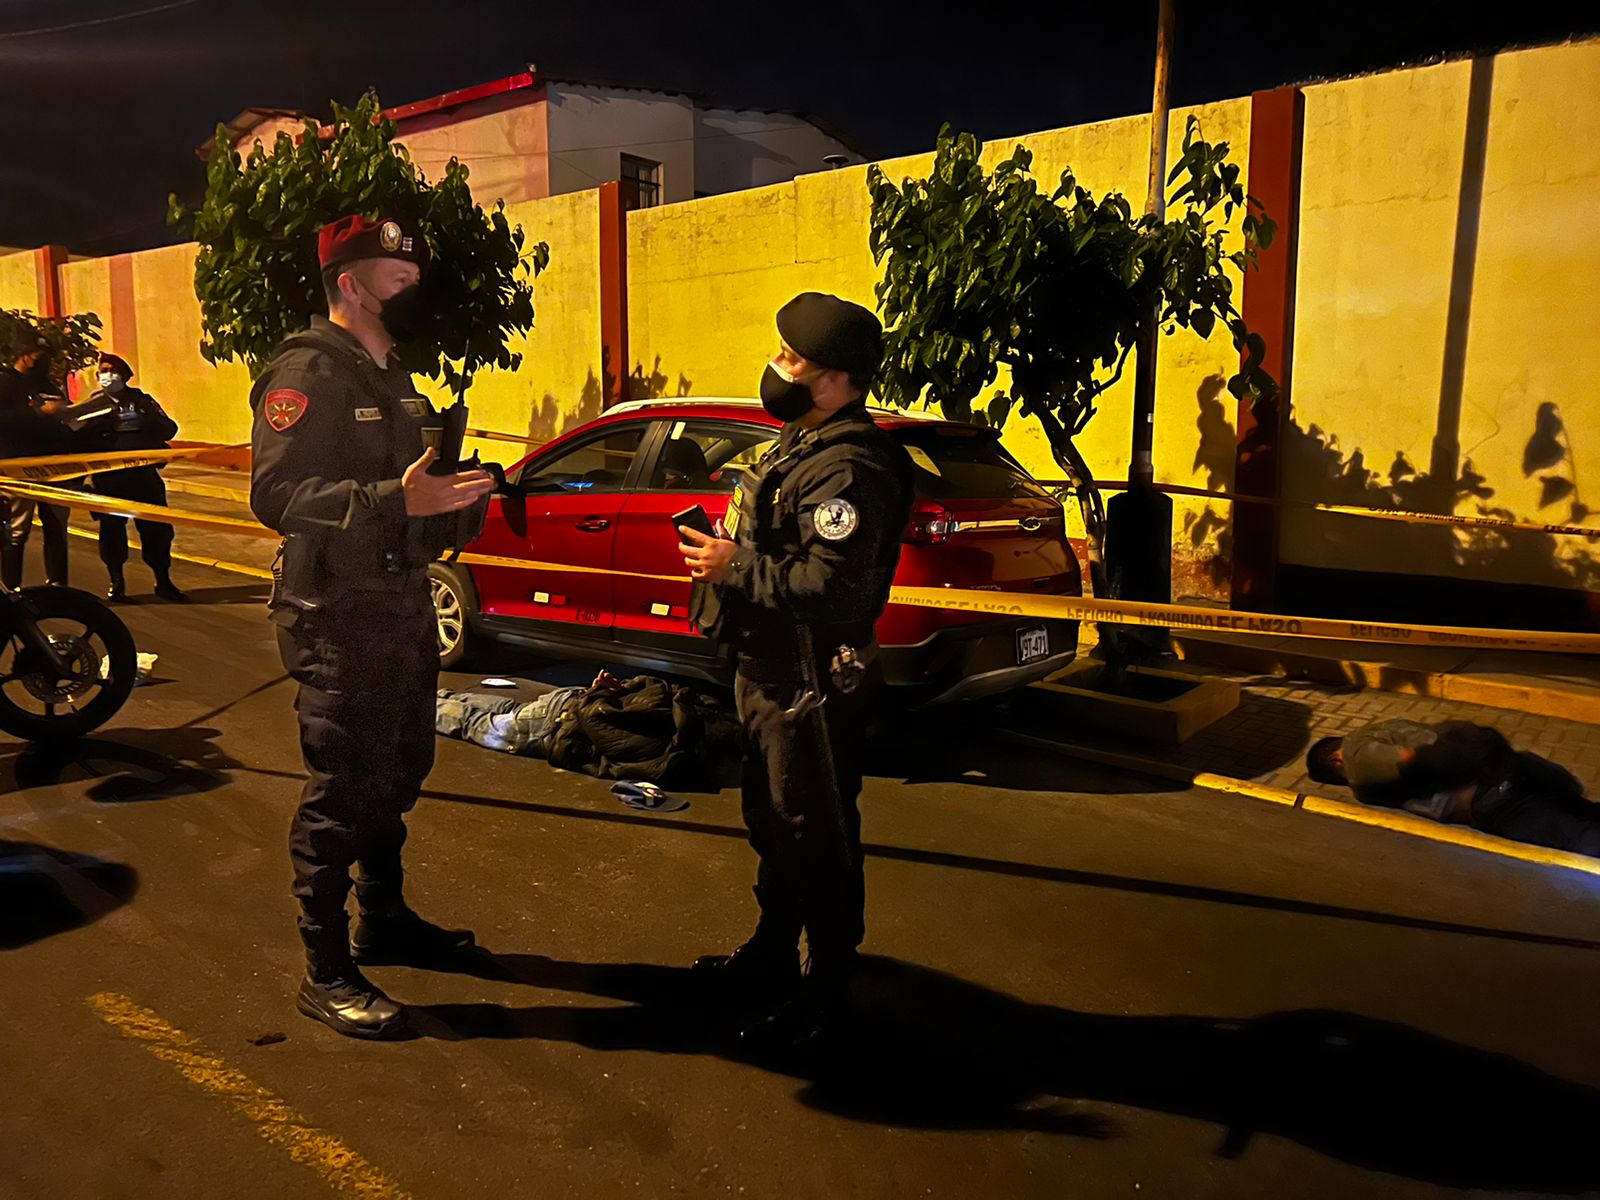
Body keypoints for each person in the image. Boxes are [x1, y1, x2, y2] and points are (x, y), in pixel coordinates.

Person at [250, 214, 495, 1040]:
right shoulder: (308, 371)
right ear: (351, 283)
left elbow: (411, 501)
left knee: (399, 771)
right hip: (335, 616)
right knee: (342, 791)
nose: (415, 283)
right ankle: (325, 971)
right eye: (398, 273)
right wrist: (401, 500)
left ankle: (382, 919)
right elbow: (277, 498)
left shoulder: (395, 378)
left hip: (399, 606)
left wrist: (457, 505)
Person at [679, 291, 914, 1049]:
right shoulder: (800, 444)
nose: (776, 368)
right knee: (773, 825)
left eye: (792, 360)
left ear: (837, 379)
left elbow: (834, 587)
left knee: (816, 836)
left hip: (809, 683)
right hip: (766, 672)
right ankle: (773, 956)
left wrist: (733, 564)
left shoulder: (850, 467)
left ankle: (830, 996)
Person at [1306, 719, 1600, 857]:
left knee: (1578, 837)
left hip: (1488, 795)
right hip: (1511, 764)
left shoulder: (1355, 757)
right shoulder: (1378, 727)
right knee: (1585, 813)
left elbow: (1412, 758)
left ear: (1335, 759)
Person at [79, 353, 186, 602]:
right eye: (103, 370)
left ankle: (163, 581)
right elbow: (77, 437)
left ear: (125, 376)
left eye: (113, 370)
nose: (108, 374)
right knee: (112, 532)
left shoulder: (141, 401)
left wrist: (144, 420)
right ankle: (116, 582)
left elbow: (169, 427)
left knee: (158, 531)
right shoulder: (93, 405)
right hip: (110, 478)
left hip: (144, 476)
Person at [0, 343, 78, 589]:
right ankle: (12, 589)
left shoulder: (49, 386)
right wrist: (38, 413)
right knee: (17, 530)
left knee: (57, 525)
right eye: (39, 357)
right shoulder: (6, 384)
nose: (43, 362)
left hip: (56, 467)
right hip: (19, 467)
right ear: (23, 357)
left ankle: (57, 585)